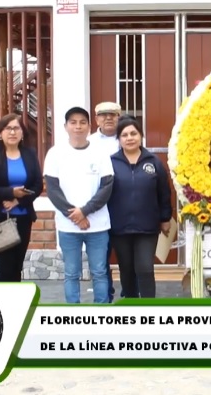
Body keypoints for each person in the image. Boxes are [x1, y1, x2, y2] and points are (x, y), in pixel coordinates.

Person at [44, 106, 114, 303]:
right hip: (68, 226)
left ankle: (101, 313)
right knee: (71, 273)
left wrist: (84, 211)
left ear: (89, 126)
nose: (78, 126)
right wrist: (74, 215)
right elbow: (52, 189)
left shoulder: (100, 153)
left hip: (97, 225)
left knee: (99, 272)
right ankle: (73, 314)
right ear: (65, 126)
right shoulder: (55, 153)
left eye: (83, 122)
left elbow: (107, 187)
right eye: (73, 122)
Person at [108, 115, 172, 298]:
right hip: (120, 227)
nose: (129, 138)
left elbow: (164, 192)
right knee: (126, 269)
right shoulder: (111, 163)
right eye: (125, 134)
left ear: (141, 136)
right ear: (119, 139)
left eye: (133, 133)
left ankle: (148, 307)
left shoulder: (153, 162)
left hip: (147, 226)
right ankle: (131, 303)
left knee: (144, 267)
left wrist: (165, 218)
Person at [0, 114, 43, 282]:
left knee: (17, 265)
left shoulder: (29, 154)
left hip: (23, 217)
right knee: (5, 267)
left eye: (16, 128)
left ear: (22, 133)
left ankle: (16, 304)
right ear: (0, 133)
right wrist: (10, 193)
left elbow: (38, 185)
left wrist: (18, 200)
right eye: (7, 128)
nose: (12, 132)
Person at [89, 101, 121, 301]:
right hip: (99, 206)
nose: (108, 118)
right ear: (96, 118)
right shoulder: (89, 142)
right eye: (103, 115)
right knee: (101, 257)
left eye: (112, 114)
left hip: (124, 205)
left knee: (127, 256)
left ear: (119, 117)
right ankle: (105, 295)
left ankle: (130, 296)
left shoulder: (127, 137)